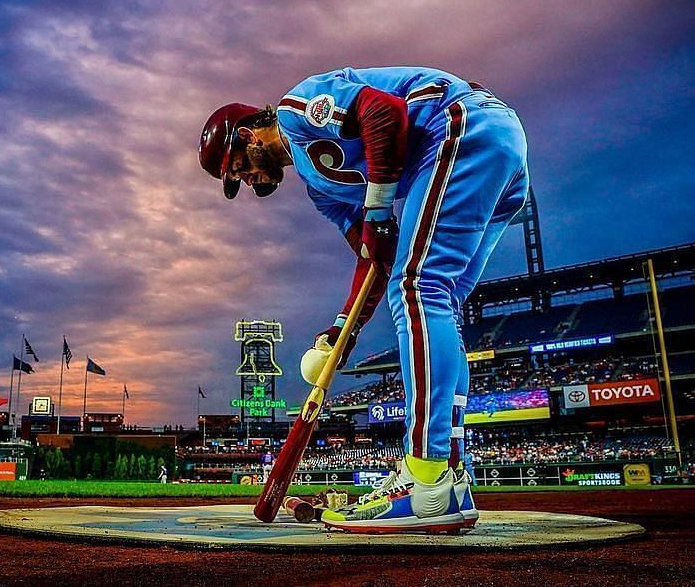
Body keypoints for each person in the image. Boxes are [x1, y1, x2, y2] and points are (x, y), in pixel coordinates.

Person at [199, 66, 528, 533]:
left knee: (419, 288)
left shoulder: (297, 110)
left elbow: (383, 112)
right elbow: (375, 256)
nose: (248, 182)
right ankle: (451, 474)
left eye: (238, 170)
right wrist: (341, 331)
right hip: (495, 148)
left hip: (459, 124)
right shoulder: (323, 192)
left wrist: (377, 208)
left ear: (249, 136)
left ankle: (426, 475)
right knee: (439, 299)